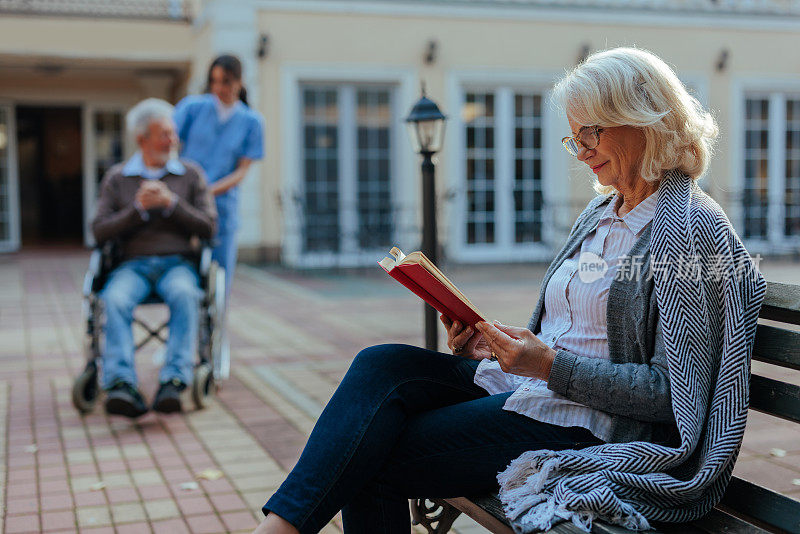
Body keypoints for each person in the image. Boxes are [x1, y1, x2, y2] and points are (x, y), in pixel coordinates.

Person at [252, 48, 765, 534]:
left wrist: (548, 366)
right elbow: (566, 331)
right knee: (381, 364)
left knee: (370, 456)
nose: (582, 151)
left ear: (644, 120)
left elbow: (673, 397)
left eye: (592, 132)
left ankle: (279, 527)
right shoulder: (601, 213)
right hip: (538, 390)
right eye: (574, 137)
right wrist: (492, 344)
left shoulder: (688, 231)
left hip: (589, 422)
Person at [92, 98, 217, 418]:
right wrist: (137, 210)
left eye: (173, 133)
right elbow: (99, 231)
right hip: (131, 265)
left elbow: (209, 227)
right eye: (164, 134)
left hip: (178, 264)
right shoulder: (118, 178)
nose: (172, 140)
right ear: (141, 139)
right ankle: (121, 384)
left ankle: (174, 380)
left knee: (186, 294)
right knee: (114, 299)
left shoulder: (190, 174)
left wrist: (171, 203)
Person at [174, 54, 265, 295]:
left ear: (239, 81)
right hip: (186, 204)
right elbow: (170, 146)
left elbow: (242, 171)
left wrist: (208, 191)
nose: (218, 88)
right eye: (213, 81)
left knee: (219, 280)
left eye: (225, 81)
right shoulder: (192, 108)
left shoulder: (252, 122)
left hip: (222, 210)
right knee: (182, 276)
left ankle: (216, 332)